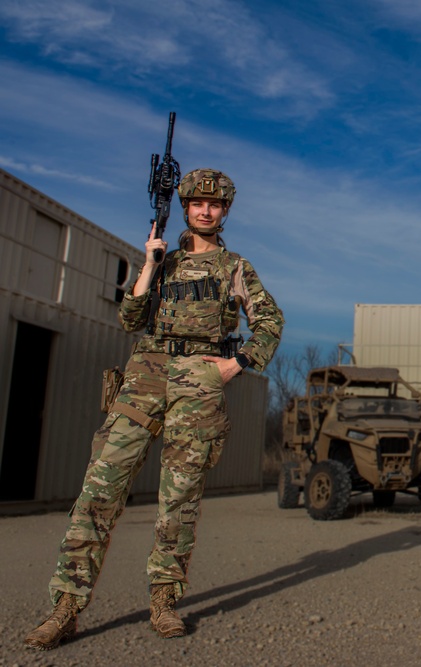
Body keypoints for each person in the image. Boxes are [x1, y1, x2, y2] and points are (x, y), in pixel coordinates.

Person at [25, 169, 284, 649]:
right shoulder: (161, 262)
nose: (206, 210)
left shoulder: (235, 268)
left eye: (215, 204)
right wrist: (148, 263)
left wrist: (235, 364)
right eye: (197, 203)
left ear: (225, 211)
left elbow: (269, 321)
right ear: (184, 207)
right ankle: (65, 607)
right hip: (145, 374)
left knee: (179, 500)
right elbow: (129, 320)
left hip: (198, 380)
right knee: (99, 489)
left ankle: (164, 601)